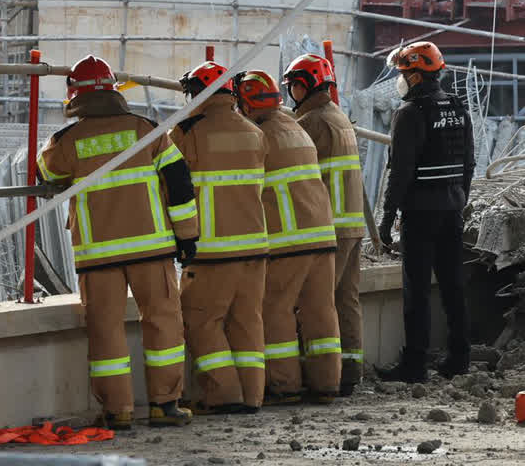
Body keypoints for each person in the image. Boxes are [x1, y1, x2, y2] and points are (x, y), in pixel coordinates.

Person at [36, 54, 196, 429]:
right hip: (151, 250)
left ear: (75, 96)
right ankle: (165, 404)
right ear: (114, 91)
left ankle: (117, 411)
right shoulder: (149, 131)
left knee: (105, 330)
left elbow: (45, 171)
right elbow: (180, 185)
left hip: (98, 256)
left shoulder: (66, 142)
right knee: (164, 323)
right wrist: (188, 238)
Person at [234, 71, 341, 405]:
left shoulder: (256, 135)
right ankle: (326, 384)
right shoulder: (297, 126)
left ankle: (285, 386)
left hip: (287, 241)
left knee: (276, 310)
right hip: (322, 236)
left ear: (245, 102)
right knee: (320, 310)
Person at [173, 61, 268, 414]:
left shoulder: (187, 132)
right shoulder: (255, 131)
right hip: (255, 248)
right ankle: (251, 396)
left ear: (199, 94)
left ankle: (224, 393)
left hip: (210, 251)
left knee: (200, 320)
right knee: (247, 322)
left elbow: (170, 183)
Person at [377, 42, 474, 383]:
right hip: (451, 208)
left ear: (417, 75)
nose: (401, 80)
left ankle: (414, 364)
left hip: (420, 213)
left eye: (404, 74)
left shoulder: (409, 113)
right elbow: (469, 164)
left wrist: (386, 220)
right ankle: (459, 357)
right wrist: (460, 199)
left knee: (416, 289)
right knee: (452, 285)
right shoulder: (458, 108)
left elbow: (400, 173)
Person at [286, 53, 367, 395]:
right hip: (351, 223)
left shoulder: (310, 123)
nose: (290, 93)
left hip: (327, 228)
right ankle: (349, 370)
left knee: (316, 303)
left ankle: (321, 376)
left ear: (304, 86)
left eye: (292, 86)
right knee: (345, 299)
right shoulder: (338, 117)